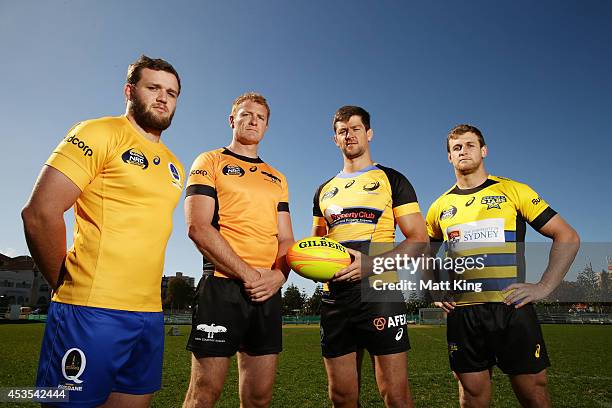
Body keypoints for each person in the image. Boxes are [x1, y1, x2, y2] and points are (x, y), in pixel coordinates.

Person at [21, 55, 184, 407]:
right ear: (129, 91)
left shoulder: (174, 165)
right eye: (153, 87)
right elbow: (39, 213)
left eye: (171, 92)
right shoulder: (99, 132)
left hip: (149, 315)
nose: (162, 98)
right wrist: (61, 284)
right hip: (91, 310)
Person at [426, 124, 580, 408]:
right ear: (449, 157)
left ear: (483, 151)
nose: (463, 151)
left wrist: (544, 286)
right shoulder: (439, 207)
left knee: (534, 393)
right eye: (456, 147)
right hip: (464, 315)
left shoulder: (513, 190)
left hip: (511, 309)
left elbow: (567, 236)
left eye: (470, 145)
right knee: (471, 395)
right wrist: (435, 292)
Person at [182, 92, 294, 408]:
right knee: (204, 394)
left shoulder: (278, 177)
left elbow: (286, 238)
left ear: (267, 126)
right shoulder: (210, 161)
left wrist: (278, 277)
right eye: (246, 114)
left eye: (260, 117)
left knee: (259, 397)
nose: (253, 120)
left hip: (267, 293)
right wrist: (249, 275)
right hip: (221, 287)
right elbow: (198, 228)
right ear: (233, 121)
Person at [312, 106, 427, 408]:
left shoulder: (393, 179)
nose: (349, 135)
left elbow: (418, 239)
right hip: (334, 297)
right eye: (342, 130)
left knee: (395, 394)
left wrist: (372, 264)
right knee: (341, 396)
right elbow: (317, 244)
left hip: (380, 293)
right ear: (335, 138)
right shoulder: (323, 190)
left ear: (369, 133)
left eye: (356, 128)